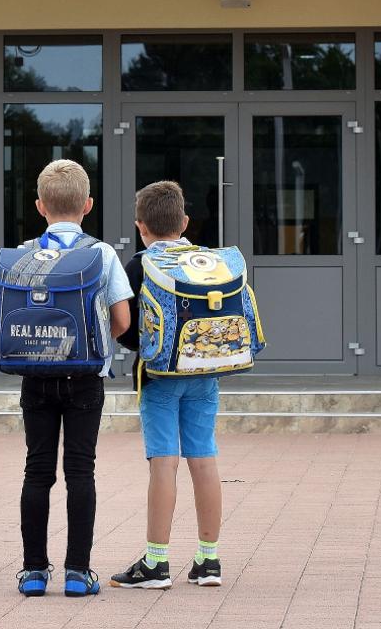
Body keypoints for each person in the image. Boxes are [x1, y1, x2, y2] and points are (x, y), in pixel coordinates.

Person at [15, 159, 133, 599]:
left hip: (35, 374)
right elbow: (122, 319)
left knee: (37, 471)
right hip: (85, 377)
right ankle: (78, 572)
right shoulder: (101, 254)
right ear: (88, 205)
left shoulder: (24, 253)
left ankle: (32, 572)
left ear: (40, 206)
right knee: (80, 471)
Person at [111, 180, 224, 589]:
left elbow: (122, 323)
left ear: (141, 226)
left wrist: (139, 346)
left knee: (164, 462)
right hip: (204, 372)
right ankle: (208, 560)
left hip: (159, 377)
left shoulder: (139, 264)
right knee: (204, 459)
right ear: (185, 221)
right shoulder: (209, 261)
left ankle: (156, 563)